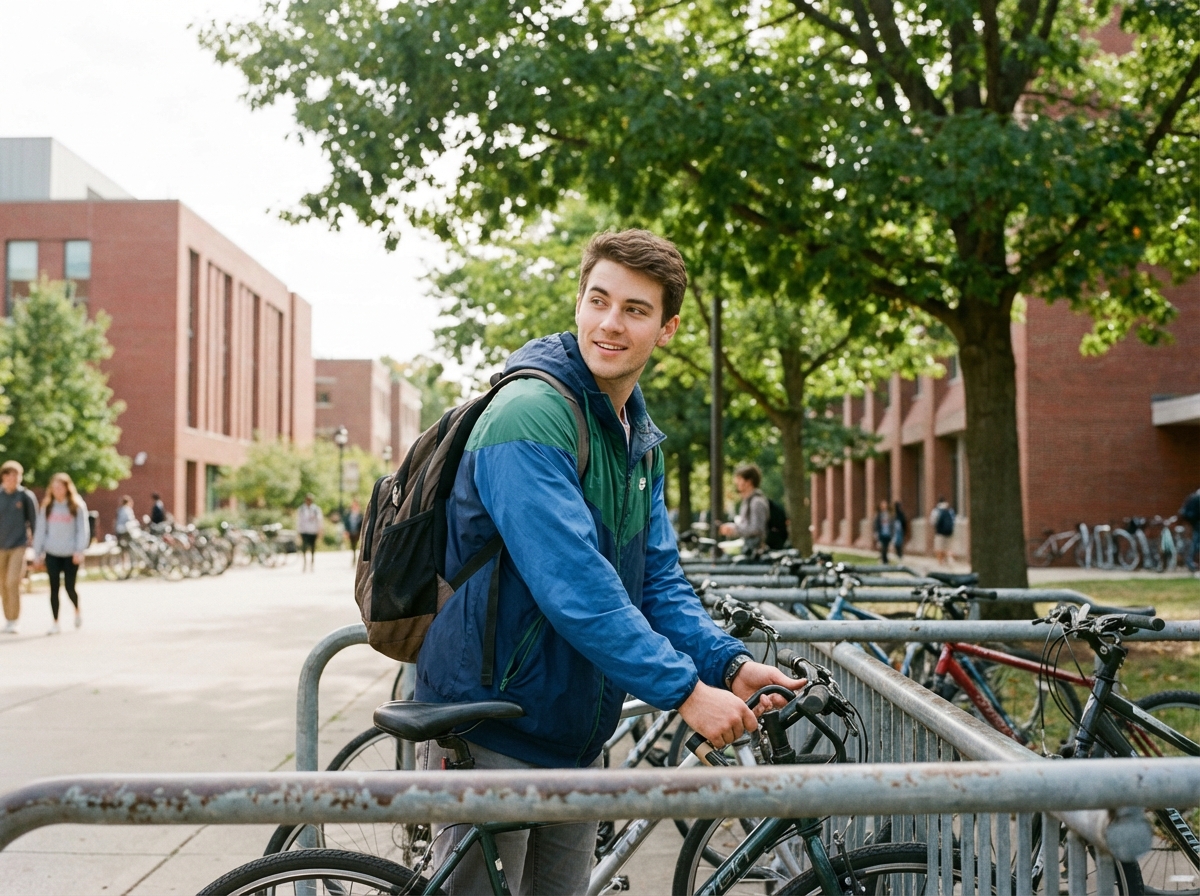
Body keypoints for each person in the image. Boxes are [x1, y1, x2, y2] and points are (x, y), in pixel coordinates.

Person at [414, 229, 805, 895]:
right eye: (599, 301)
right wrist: (684, 692)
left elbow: (657, 583)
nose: (610, 324)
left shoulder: (634, 440)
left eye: (634, 310)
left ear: (668, 327)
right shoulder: (530, 414)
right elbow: (578, 589)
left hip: (570, 733)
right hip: (491, 725)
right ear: (578, 304)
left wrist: (728, 665)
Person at [33, 473, 90, 634]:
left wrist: (79, 550)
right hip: (52, 552)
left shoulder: (76, 506)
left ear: (67, 488)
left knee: (70, 587)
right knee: (54, 588)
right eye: (55, 487)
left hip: (70, 553)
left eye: (61, 487)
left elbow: (82, 530)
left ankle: (77, 609)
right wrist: (38, 553)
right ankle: (55, 622)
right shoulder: (48, 507)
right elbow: (40, 531)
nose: (57, 490)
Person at [0, 460, 38, 634]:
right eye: (9, 475)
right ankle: (8, 618)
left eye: (16, 475)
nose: (13, 478)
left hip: (18, 545)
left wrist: (36, 549)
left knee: (12, 581)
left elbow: (35, 523)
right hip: (1, 547)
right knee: (2, 583)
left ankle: (14, 619)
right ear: (4, 477)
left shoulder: (25, 496)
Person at [718, 464, 770, 555]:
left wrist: (734, 529)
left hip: (755, 553)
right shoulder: (747, 501)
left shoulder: (756, 502)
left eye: (739, 479)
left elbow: (756, 529)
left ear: (749, 481)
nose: (736, 482)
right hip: (749, 550)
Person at [296, 493, 323, 572]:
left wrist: (320, 531)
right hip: (304, 531)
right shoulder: (301, 509)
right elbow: (299, 521)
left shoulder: (316, 509)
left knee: (312, 548)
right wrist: (298, 532)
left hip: (313, 531)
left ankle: (312, 564)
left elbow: (319, 521)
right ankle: (304, 564)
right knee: (304, 548)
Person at [1180, 485, 1200, 574]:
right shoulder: (1197, 497)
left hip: (1193, 522)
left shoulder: (1193, 496)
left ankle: (1191, 561)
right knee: (1195, 543)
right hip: (1196, 523)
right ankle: (1190, 561)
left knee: (1195, 542)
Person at [931, 497, 956, 565]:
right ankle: (949, 560)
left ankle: (941, 562)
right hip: (949, 532)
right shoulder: (950, 510)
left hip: (940, 533)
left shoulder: (936, 510)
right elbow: (954, 520)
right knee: (948, 547)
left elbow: (933, 522)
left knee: (939, 548)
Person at [872, 499, 894, 564]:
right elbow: (876, 525)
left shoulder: (889, 515)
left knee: (886, 547)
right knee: (882, 547)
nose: (884, 506)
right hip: (881, 534)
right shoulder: (878, 515)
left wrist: (892, 533)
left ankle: (885, 559)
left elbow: (892, 525)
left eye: (885, 505)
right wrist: (876, 533)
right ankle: (884, 560)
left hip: (888, 533)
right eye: (883, 505)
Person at [344, 498, 364, 564]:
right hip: (351, 532)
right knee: (353, 545)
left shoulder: (361, 515)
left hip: (358, 532)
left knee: (359, 545)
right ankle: (354, 557)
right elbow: (346, 523)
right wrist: (346, 531)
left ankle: (358, 558)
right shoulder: (349, 515)